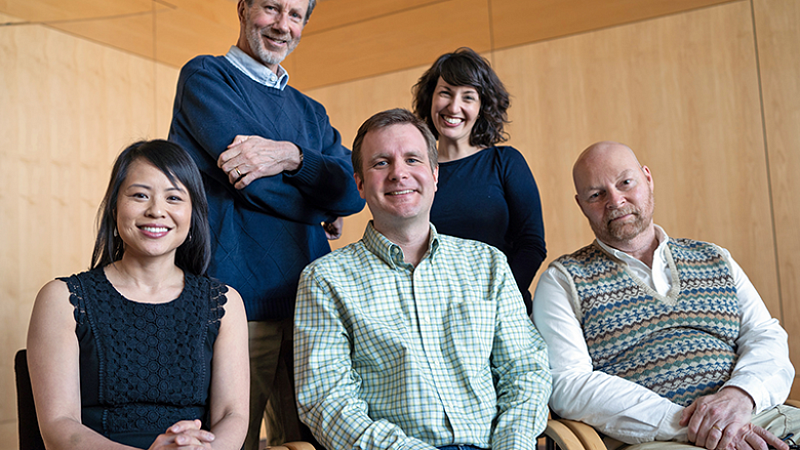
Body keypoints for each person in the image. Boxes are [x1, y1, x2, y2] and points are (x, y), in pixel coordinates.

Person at [167, 0, 365, 446]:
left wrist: (292, 157)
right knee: (229, 442)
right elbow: (251, 184)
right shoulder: (207, 77)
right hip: (234, 307)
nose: (282, 25)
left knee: (309, 443)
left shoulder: (311, 113)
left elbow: (354, 192)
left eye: (295, 15)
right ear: (242, 8)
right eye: (271, 8)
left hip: (311, 312)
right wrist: (320, 209)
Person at [294, 108, 551, 450]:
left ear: (434, 174)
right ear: (359, 183)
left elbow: (526, 372)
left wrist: (512, 445)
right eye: (381, 163)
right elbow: (328, 402)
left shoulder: (487, 263)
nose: (399, 174)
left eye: (412, 160)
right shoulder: (325, 280)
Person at [532, 141, 798, 450]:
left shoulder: (714, 257)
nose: (615, 200)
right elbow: (569, 384)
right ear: (581, 205)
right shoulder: (563, 279)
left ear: (647, 178)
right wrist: (695, 426)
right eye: (596, 194)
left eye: (625, 182)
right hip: (657, 438)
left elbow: (766, 336)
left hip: (754, 415)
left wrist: (740, 396)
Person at [27, 140, 249, 449]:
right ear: (115, 206)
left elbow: (232, 415)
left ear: (193, 213)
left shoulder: (224, 303)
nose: (157, 211)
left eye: (174, 197)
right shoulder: (62, 299)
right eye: (140, 195)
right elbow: (59, 426)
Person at [412, 47, 546, 315]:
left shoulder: (505, 162)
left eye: (468, 97)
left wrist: (491, 300)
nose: (454, 107)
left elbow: (531, 245)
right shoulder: (416, 170)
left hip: (502, 309)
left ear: (482, 106)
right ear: (431, 98)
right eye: (445, 93)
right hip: (433, 314)